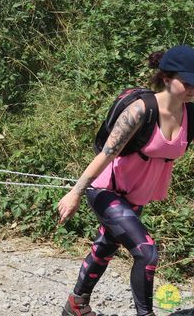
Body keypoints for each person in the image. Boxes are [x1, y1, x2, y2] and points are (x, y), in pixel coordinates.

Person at [58, 45, 194, 316]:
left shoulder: (192, 115)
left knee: (106, 246)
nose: (193, 88)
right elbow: (106, 155)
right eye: (187, 81)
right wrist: (75, 192)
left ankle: (76, 304)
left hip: (136, 195)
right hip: (106, 190)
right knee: (147, 253)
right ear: (166, 78)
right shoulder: (141, 110)